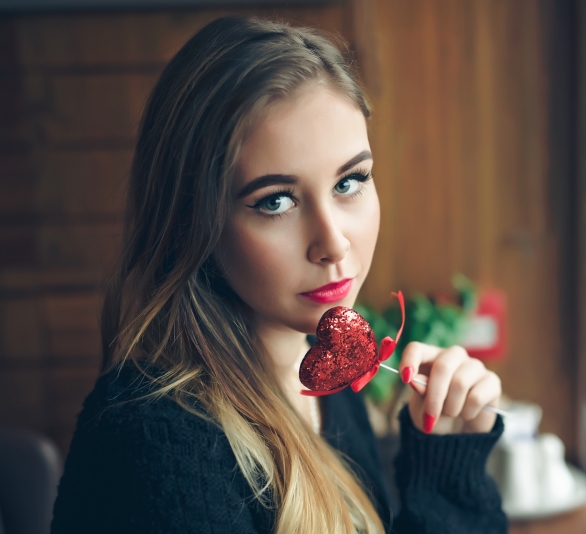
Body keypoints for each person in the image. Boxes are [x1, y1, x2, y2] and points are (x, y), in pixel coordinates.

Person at [50, 16, 506, 534]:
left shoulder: (325, 371)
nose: (333, 242)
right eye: (276, 201)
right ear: (191, 223)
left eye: (350, 182)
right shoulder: (155, 443)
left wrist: (446, 458)